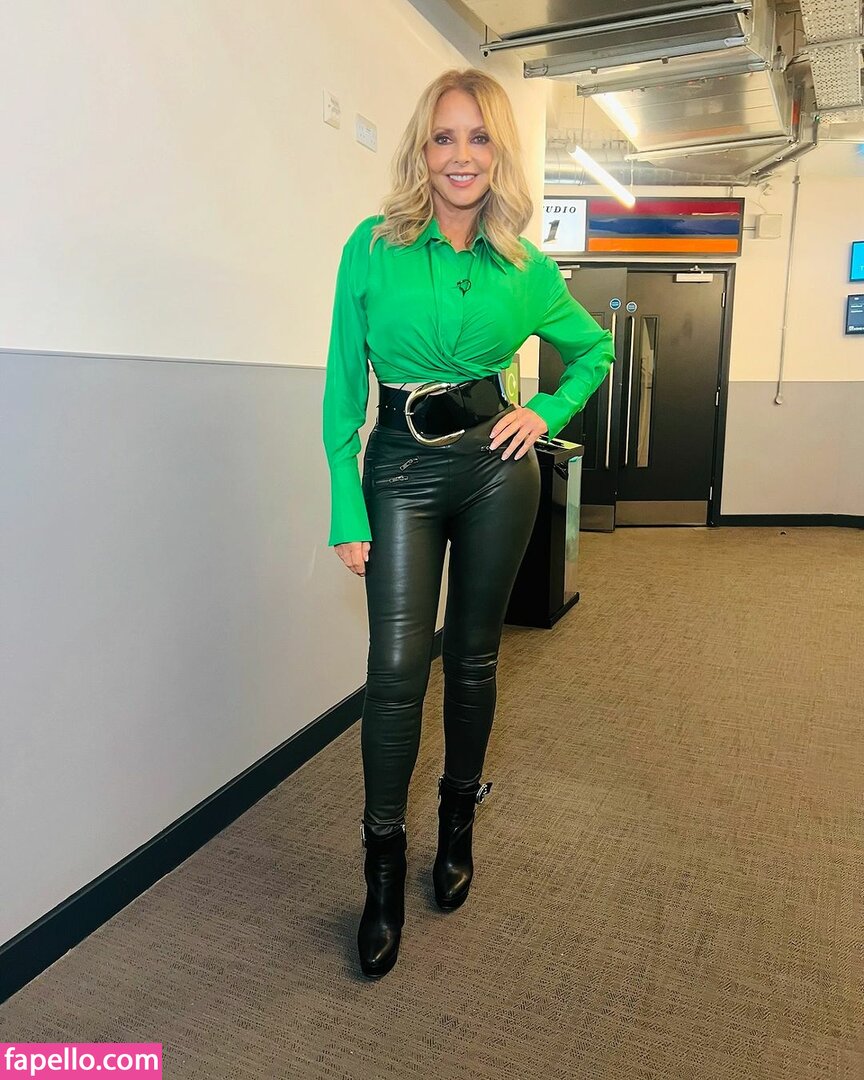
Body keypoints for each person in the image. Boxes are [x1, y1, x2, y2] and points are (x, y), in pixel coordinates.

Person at [322, 68, 613, 979]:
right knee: (396, 671)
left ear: (498, 154)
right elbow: (342, 385)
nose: (461, 155)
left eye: (479, 138)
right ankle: (380, 868)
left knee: (477, 658)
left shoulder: (526, 268)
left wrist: (548, 410)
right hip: (400, 470)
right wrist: (344, 502)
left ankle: (456, 825)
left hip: (497, 472)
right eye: (445, 137)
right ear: (423, 148)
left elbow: (595, 348)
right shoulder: (372, 248)